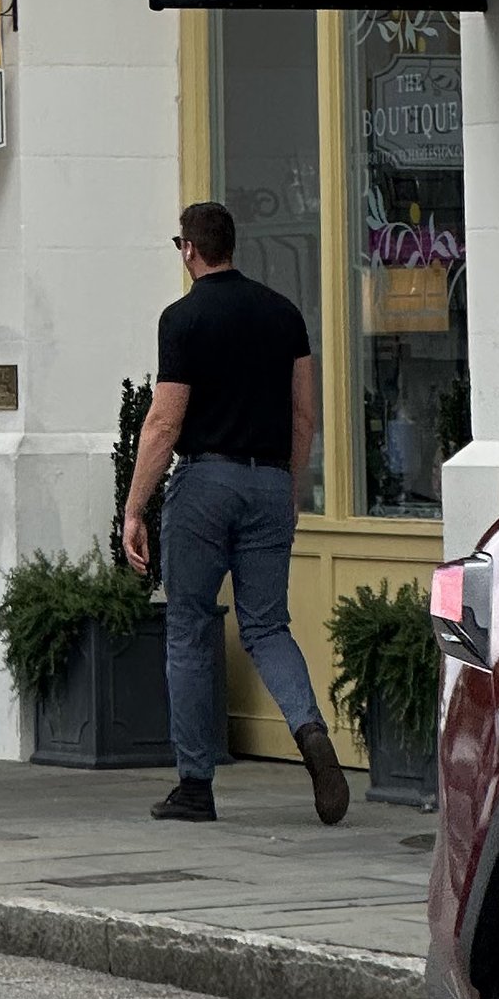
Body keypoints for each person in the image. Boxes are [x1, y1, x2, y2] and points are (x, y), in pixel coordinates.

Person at [121, 200, 350, 829]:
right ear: (233, 246)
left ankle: (195, 786)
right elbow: (304, 415)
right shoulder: (284, 315)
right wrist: (289, 486)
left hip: (205, 483)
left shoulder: (184, 319)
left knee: (190, 625)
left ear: (189, 250)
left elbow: (165, 423)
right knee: (268, 626)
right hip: (270, 480)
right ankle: (310, 732)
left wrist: (134, 508)